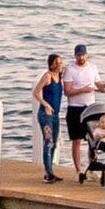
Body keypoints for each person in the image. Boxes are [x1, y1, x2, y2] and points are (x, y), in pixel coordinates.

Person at [62, 45, 103, 181]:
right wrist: (83, 89)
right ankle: (78, 170)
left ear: (87, 55)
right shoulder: (70, 69)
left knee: (93, 139)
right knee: (77, 140)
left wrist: (104, 88)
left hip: (90, 107)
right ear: (75, 56)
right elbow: (67, 91)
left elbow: (98, 83)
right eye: (78, 55)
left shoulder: (92, 68)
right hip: (75, 107)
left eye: (83, 55)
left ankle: (92, 168)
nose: (81, 57)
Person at [32, 52, 67, 180]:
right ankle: (48, 173)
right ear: (51, 65)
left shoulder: (60, 76)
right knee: (48, 142)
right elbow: (35, 92)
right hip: (45, 115)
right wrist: (45, 104)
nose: (60, 65)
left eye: (61, 62)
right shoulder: (47, 76)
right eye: (57, 63)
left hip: (55, 115)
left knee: (55, 143)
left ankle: (50, 171)